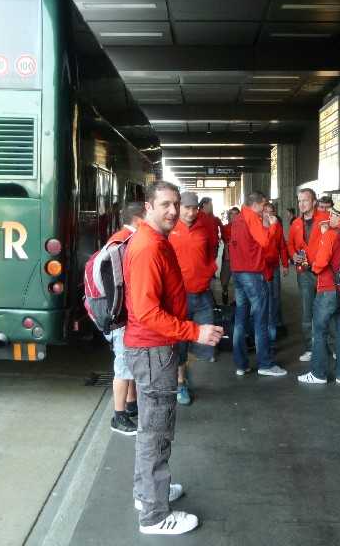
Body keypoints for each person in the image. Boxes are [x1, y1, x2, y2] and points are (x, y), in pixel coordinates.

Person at [123, 180, 223, 535]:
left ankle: (148, 493)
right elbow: (148, 312)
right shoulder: (149, 247)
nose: (173, 210)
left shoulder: (155, 240)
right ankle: (154, 515)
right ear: (148, 207)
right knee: (157, 431)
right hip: (153, 350)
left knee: (151, 428)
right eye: (164, 204)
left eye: (176, 204)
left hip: (154, 348)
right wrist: (194, 331)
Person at [298, 200, 340, 384]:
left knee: (319, 331)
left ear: (339, 217)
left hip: (329, 289)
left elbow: (320, 264)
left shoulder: (331, 235)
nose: (329, 216)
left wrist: (324, 237)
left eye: (332, 214)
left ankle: (318, 374)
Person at [229, 191, 287, 377]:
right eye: (263, 206)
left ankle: (241, 364)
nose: (264, 210)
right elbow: (265, 242)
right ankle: (265, 364)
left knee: (240, 320)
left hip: (238, 273)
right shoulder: (252, 217)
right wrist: (273, 226)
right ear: (256, 204)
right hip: (252, 274)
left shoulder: (237, 218)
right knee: (261, 320)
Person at [168, 192, 219, 406]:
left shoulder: (204, 226)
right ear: (179, 208)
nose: (190, 213)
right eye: (186, 208)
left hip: (202, 293)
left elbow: (212, 251)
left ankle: (183, 373)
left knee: (206, 342)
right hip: (179, 296)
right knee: (180, 342)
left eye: (194, 208)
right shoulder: (169, 227)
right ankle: (180, 383)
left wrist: (209, 272)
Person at [107, 202, 145, 435]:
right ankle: (118, 416)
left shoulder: (119, 238)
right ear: (139, 220)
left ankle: (131, 405)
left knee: (128, 362)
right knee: (122, 366)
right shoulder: (126, 242)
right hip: (122, 316)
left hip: (121, 314)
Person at [287, 188, 330, 362]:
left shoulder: (325, 219)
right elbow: (290, 244)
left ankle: (329, 346)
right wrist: (293, 255)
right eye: (299, 201)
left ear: (314, 202)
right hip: (304, 272)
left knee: (327, 310)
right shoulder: (296, 223)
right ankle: (310, 348)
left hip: (323, 272)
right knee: (307, 312)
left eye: (305, 200)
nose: (301, 204)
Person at [263, 201, 289, 342]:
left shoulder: (277, 226)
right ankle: (267, 327)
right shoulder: (257, 227)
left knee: (276, 296)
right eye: (265, 211)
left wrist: (285, 264)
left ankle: (277, 323)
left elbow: (282, 246)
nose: (268, 214)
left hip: (274, 267)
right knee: (265, 298)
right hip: (261, 268)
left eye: (271, 211)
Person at [220, 207, 240, 304]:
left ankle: (236, 300)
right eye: (232, 214)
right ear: (229, 216)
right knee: (224, 281)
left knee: (238, 281)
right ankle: (225, 291)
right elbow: (225, 241)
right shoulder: (225, 228)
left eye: (236, 214)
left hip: (239, 258)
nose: (234, 216)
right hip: (227, 258)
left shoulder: (243, 228)